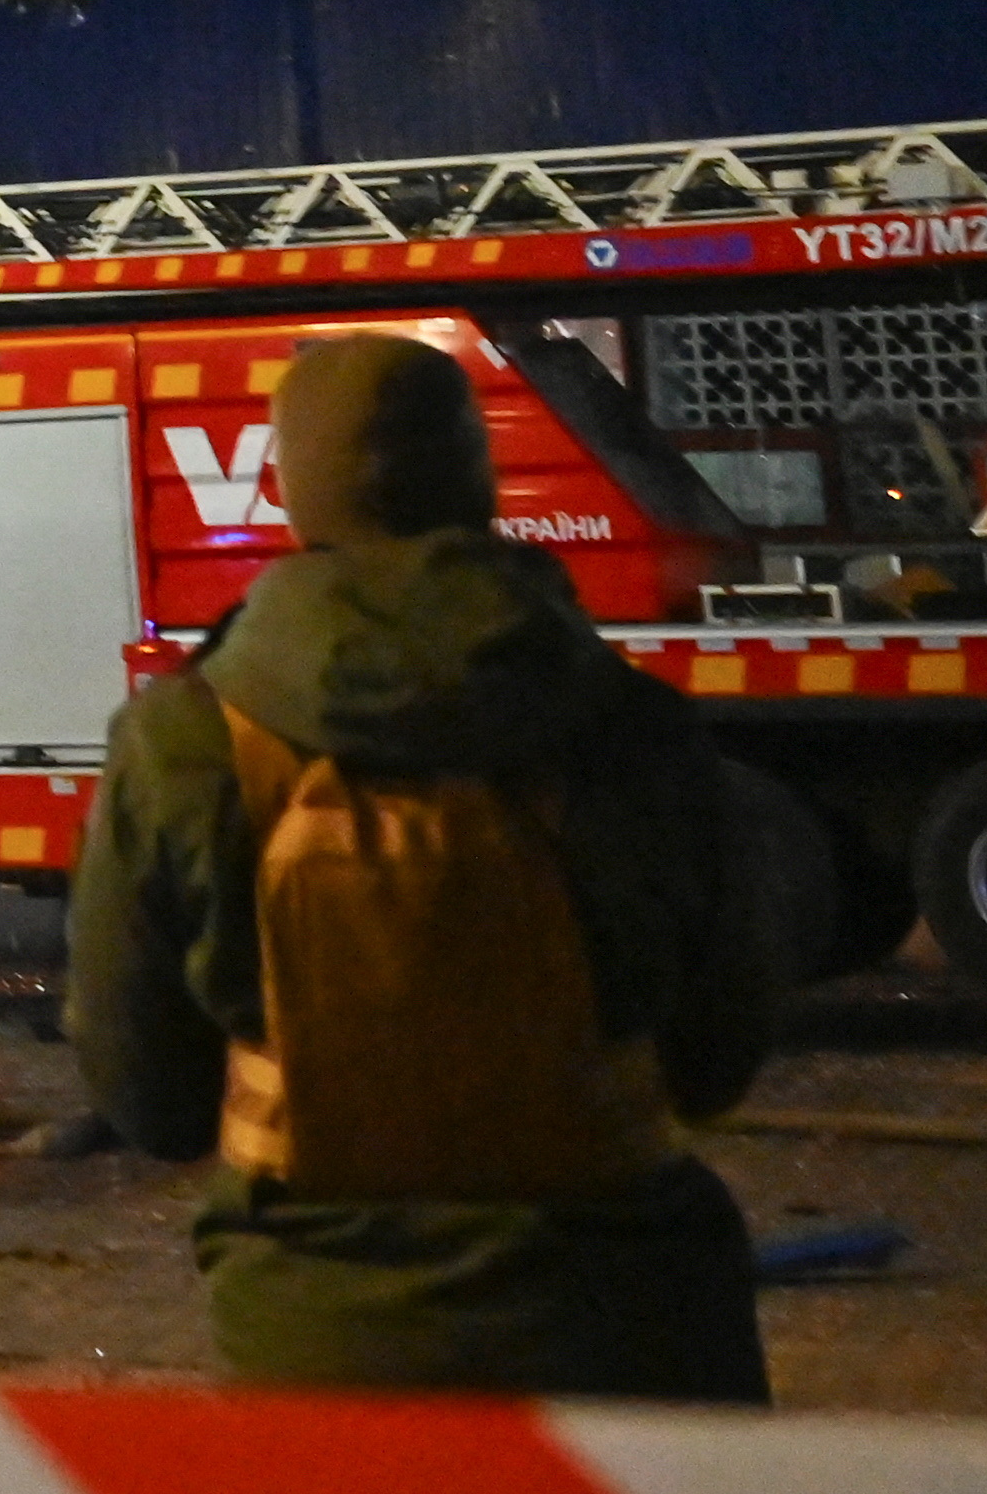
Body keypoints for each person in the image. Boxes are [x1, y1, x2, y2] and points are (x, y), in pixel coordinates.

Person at [68, 330, 776, 1397]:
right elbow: (719, 1059)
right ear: (479, 481)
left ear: (295, 493)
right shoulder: (638, 729)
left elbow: (148, 1099)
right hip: (635, 1335)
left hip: (321, 1343)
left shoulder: (181, 743)